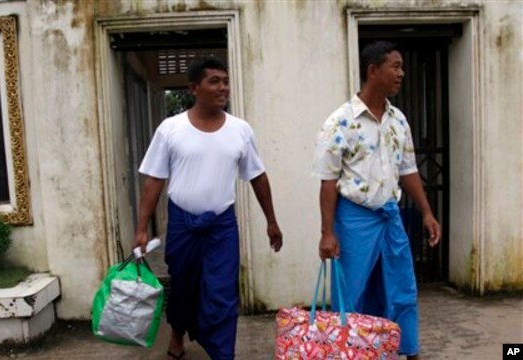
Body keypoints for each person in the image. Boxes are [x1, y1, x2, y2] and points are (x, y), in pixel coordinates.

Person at [134, 56, 283, 360]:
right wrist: (140, 229)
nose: (222, 87)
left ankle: (221, 353)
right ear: (194, 88)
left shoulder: (240, 130)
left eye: (225, 81)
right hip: (181, 224)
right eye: (214, 81)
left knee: (222, 292)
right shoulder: (170, 129)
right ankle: (177, 332)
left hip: (221, 226)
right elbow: (154, 181)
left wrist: (272, 221)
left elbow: (257, 175)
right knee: (184, 286)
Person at [312, 41, 441, 359]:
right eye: (395, 66)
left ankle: (408, 350)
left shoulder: (398, 120)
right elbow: (328, 182)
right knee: (352, 292)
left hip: (390, 216)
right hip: (354, 218)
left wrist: (426, 212)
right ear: (373, 71)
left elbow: (408, 169)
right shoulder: (340, 123)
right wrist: (327, 233)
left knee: (402, 287)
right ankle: (350, 353)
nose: (401, 73)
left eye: (401, 66)